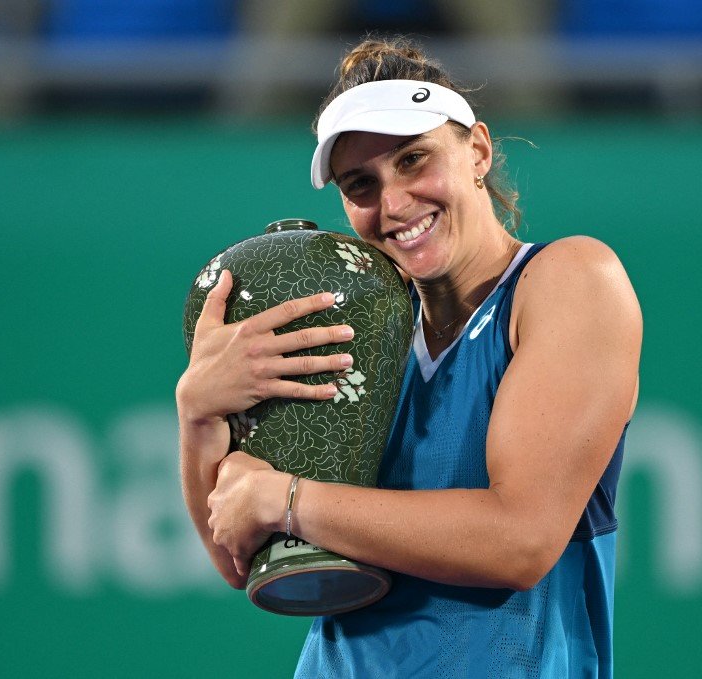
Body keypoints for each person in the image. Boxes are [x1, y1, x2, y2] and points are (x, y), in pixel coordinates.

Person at [177, 36, 642, 678]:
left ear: (477, 150)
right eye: (360, 185)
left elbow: (520, 539)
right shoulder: (354, 328)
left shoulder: (572, 279)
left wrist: (285, 498)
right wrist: (199, 413)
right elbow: (243, 563)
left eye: (414, 160)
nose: (393, 204)